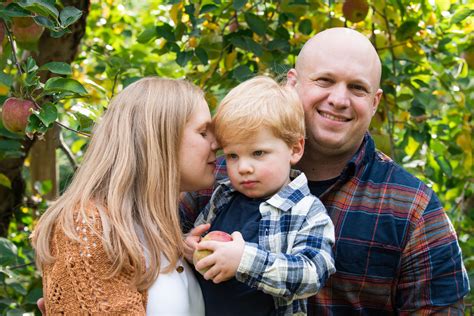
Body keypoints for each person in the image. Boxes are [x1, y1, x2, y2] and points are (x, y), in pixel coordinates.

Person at [181, 28, 470, 314]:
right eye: (324, 80)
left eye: (357, 88)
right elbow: (150, 254)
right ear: (292, 84)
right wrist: (185, 247)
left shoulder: (411, 207)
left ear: (374, 102)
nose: (339, 100)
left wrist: (245, 260)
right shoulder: (216, 179)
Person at [32, 77, 218, 314]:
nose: (216, 143)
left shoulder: (165, 232)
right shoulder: (88, 227)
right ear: (160, 140)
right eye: (203, 133)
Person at [186, 76, 335, 316]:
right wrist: (190, 247)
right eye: (233, 155)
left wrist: (244, 261)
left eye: (258, 153)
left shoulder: (306, 211)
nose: (243, 167)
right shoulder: (223, 197)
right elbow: (201, 246)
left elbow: (312, 273)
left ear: (295, 149)